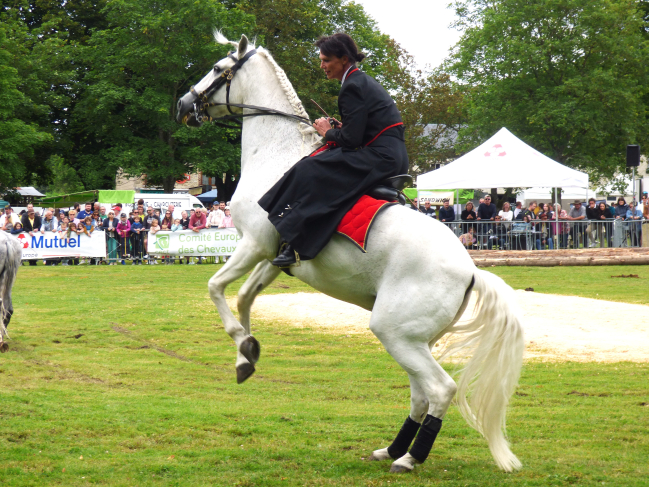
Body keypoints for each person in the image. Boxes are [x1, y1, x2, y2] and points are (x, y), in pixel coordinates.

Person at [259, 33, 408, 267]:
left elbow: (350, 140)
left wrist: (327, 131)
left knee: (311, 167)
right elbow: (359, 132)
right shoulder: (361, 81)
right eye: (321, 60)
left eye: (326, 60)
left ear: (344, 59)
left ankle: (297, 245)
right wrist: (339, 128)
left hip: (381, 157)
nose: (322, 66)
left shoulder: (351, 86)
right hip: (391, 155)